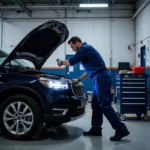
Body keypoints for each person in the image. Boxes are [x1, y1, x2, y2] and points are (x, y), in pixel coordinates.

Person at [56, 36, 130, 141]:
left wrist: (60, 62)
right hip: (97, 78)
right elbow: (89, 70)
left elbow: (70, 62)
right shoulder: (87, 51)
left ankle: (121, 129)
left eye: (72, 47)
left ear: (77, 43)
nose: (72, 49)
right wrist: (79, 79)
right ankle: (96, 129)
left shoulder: (84, 48)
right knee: (95, 105)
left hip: (101, 78)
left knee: (104, 104)